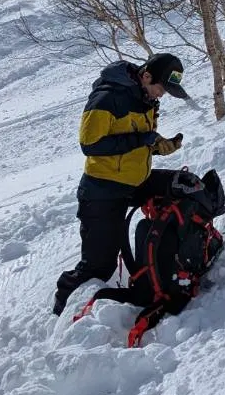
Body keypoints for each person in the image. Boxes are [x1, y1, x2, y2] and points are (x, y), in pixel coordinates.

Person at [53, 53, 189, 315]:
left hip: (136, 181)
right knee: (98, 267)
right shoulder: (107, 98)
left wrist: (158, 146)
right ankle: (65, 312)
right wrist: (143, 139)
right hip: (103, 190)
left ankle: (164, 268)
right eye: (161, 88)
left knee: (184, 188)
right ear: (146, 76)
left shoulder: (145, 97)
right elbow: (90, 145)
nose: (161, 95)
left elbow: (133, 141)